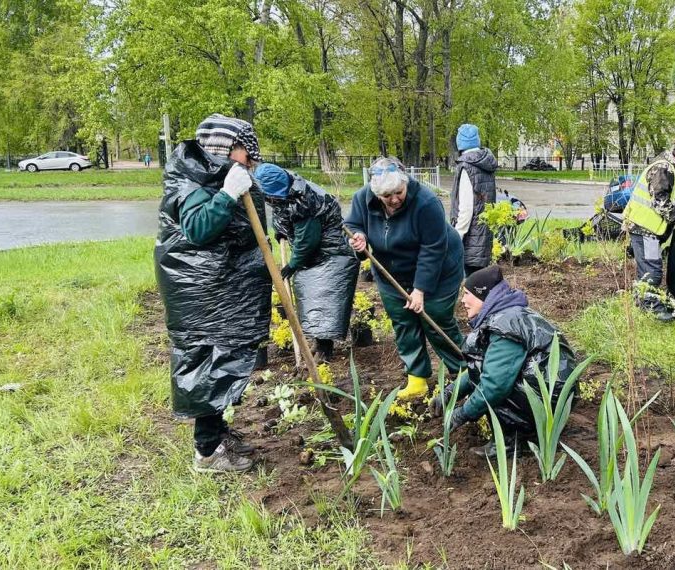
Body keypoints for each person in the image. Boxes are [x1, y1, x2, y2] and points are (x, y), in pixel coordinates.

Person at [153, 113, 267, 474]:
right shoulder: (192, 183)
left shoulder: (212, 174)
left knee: (223, 361)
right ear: (224, 149)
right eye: (245, 152)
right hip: (201, 296)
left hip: (217, 289)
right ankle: (207, 452)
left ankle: (217, 434)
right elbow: (199, 229)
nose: (251, 159)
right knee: (208, 363)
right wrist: (228, 194)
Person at [345, 156, 466, 401]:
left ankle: (464, 372)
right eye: (386, 196)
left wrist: (420, 290)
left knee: (435, 319)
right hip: (392, 273)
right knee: (403, 321)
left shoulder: (426, 203)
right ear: (376, 193)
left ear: (405, 183)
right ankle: (417, 379)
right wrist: (358, 238)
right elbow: (353, 223)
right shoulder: (363, 198)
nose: (394, 199)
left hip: (439, 269)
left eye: (398, 192)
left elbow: (432, 249)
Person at [429, 265, 579, 457]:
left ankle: (512, 443)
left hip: (548, 395)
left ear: (483, 296)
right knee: (491, 379)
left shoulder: (505, 327)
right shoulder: (505, 315)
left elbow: (495, 385)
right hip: (548, 389)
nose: (463, 301)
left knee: (496, 390)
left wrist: (463, 413)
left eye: (467, 294)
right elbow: (482, 367)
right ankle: (524, 434)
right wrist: (451, 392)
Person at [254, 163, 359, 360]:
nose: (270, 199)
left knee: (324, 300)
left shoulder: (305, 201)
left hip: (331, 255)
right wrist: (282, 230)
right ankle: (318, 344)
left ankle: (324, 350)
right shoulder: (290, 190)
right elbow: (285, 214)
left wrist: (292, 265)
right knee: (310, 296)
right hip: (317, 256)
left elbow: (307, 241)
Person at [621, 139, 675, 319]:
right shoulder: (663, 168)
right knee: (652, 270)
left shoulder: (668, 168)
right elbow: (660, 200)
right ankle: (652, 309)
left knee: (647, 268)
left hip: (646, 228)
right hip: (644, 228)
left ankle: (641, 302)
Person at [450, 124, 498, 276]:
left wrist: (456, 237)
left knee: (471, 288)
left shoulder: (467, 167)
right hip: (484, 234)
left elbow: (466, 208)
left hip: (471, 238)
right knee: (480, 285)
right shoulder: (485, 163)